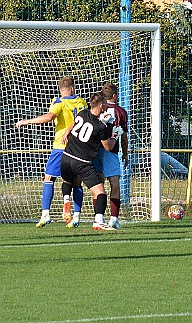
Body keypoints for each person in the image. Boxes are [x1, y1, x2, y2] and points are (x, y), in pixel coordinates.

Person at [15, 76, 87, 228]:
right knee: (76, 182)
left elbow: (50, 117)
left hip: (61, 146)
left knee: (49, 178)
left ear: (61, 90)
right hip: (79, 148)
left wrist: (26, 121)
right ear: (73, 89)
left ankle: (45, 214)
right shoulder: (82, 102)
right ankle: (76, 216)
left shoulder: (59, 102)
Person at [61, 92, 124, 231]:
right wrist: (114, 135)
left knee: (68, 182)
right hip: (81, 163)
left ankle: (66, 200)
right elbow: (108, 147)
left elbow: (73, 124)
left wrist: (66, 132)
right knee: (100, 193)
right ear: (101, 106)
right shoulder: (100, 127)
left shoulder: (82, 113)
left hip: (65, 157)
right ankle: (98, 221)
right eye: (105, 105)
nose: (107, 107)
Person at [93, 83, 128, 229]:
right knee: (114, 182)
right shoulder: (120, 112)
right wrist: (125, 153)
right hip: (111, 151)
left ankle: (98, 217)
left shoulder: (97, 109)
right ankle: (114, 218)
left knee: (98, 184)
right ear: (114, 96)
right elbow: (124, 136)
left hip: (95, 150)